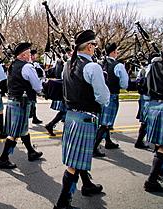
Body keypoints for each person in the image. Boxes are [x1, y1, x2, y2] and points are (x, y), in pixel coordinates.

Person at [54, 30, 110, 209]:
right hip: (85, 117)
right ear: (89, 46)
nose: (95, 49)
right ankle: (63, 203)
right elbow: (103, 97)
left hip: (71, 117)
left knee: (78, 156)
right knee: (73, 164)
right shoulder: (92, 67)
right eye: (94, 45)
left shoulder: (67, 65)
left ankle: (87, 184)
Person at [0, 42, 43, 169]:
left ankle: (31, 152)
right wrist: (43, 90)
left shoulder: (12, 65)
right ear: (23, 55)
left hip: (13, 100)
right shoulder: (27, 67)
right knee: (15, 134)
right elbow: (37, 86)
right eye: (28, 53)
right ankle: (3, 159)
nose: (30, 55)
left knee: (23, 129)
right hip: (21, 102)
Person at [143, 34, 163, 192]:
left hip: (153, 106)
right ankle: (152, 180)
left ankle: (161, 169)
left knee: (161, 145)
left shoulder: (153, 64)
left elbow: (146, 84)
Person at [93, 42, 129, 157]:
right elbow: (124, 84)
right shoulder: (118, 65)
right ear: (113, 52)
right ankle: (94, 148)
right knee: (105, 123)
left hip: (99, 96)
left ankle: (108, 142)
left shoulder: (99, 63)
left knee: (104, 121)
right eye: (117, 51)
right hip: (112, 95)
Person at [29, 49, 45, 124]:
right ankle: (32, 117)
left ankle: (34, 118)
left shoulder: (35, 64)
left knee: (33, 103)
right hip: (29, 87)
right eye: (35, 54)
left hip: (33, 86)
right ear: (32, 56)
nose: (36, 56)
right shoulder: (30, 65)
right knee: (31, 103)